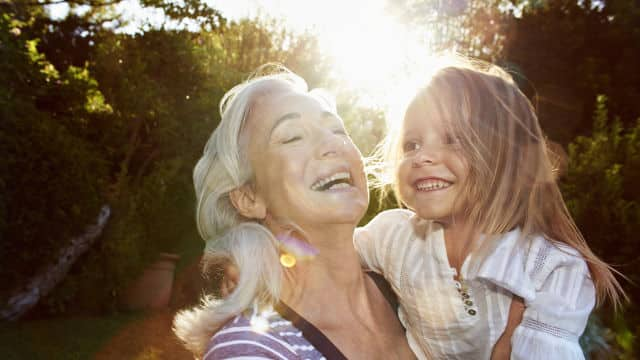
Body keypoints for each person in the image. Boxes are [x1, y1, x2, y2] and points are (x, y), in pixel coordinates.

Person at [354, 58, 626, 359]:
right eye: (411, 144)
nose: (422, 157)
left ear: (507, 159)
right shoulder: (392, 236)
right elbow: (317, 257)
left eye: (453, 139)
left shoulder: (551, 268)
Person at [172, 65, 416, 359]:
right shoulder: (251, 350)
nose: (332, 144)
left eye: (338, 129)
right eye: (292, 137)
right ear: (249, 197)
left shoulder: (415, 286)